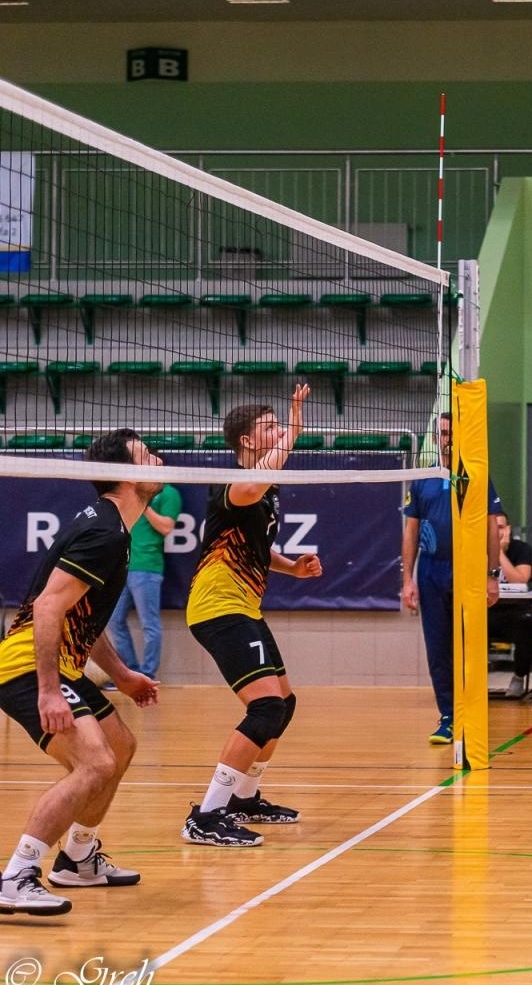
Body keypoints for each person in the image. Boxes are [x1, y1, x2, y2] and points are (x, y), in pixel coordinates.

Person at [0, 430, 162, 915]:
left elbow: (83, 619)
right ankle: (17, 875)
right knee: (95, 763)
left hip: (61, 666)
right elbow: (50, 607)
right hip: (28, 667)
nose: (158, 460)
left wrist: (123, 673)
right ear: (126, 474)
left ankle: (77, 859)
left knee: (120, 746)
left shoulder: (115, 526)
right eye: (145, 455)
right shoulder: (104, 533)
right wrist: (50, 692)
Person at [183, 388, 322, 847]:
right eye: (269, 427)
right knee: (264, 707)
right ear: (246, 441)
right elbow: (255, 483)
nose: (278, 431)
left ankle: (244, 797)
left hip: (243, 605)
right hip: (217, 606)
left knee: (284, 702)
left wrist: (291, 567)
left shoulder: (264, 490)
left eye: (278, 426)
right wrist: (297, 425)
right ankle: (206, 814)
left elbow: (257, 549)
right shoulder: (233, 484)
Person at [400, 411, 505, 743]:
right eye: (443, 433)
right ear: (435, 438)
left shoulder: (476, 475)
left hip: (468, 571)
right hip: (431, 570)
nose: (447, 438)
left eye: (453, 433)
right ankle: (447, 717)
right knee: (437, 648)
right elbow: (411, 530)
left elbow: (492, 528)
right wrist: (407, 579)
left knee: (468, 646)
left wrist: (491, 575)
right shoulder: (422, 478)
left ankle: (471, 716)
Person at [104, 458, 180, 680]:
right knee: (114, 620)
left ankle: (148, 674)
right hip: (122, 567)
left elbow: (166, 527)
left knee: (150, 623)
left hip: (147, 567)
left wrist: (145, 505)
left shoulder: (168, 494)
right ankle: (130, 672)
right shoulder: (130, 492)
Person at [489, 514, 532, 700]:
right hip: (487, 610)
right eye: (491, 529)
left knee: (528, 627)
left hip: (515, 613)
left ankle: (519, 678)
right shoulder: (476, 549)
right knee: (461, 625)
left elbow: (520, 580)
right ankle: (470, 683)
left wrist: (499, 553)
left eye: (500, 527)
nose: (496, 533)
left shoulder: (522, 549)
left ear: (509, 529)